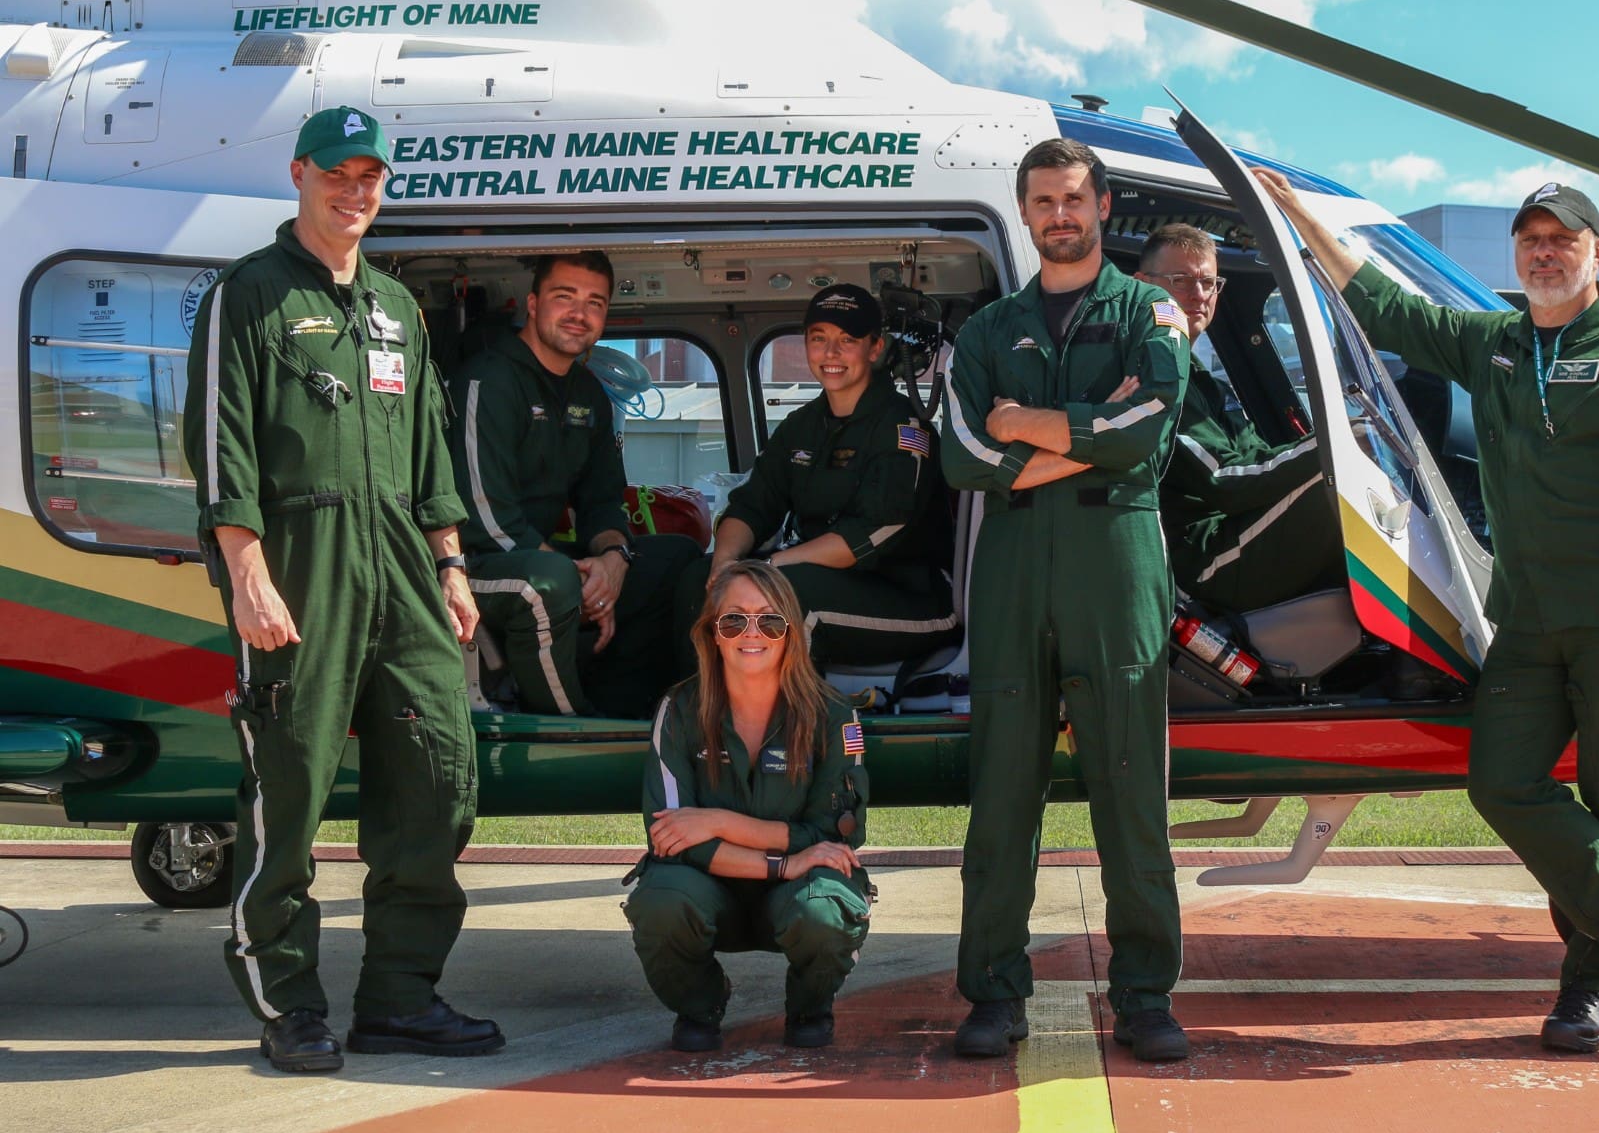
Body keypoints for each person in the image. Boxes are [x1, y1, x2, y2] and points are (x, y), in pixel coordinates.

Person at [1255, 169, 1599, 1056]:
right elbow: (1389, 310)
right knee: (1500, 780)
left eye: (1563, 239)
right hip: (1529, 620)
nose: (1545, 253)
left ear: (1598, 251)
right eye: (1531, 240)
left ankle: (1586, 992)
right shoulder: (1499, 344)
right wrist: (1298, 215)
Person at [183, 106, 502, 1074]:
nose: (354, 190)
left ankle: (400, 997)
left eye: (370, 175)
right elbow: (218, 446)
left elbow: (429, 451)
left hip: (403, 569)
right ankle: (289, 1002)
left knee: (439, 776)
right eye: (337, 172)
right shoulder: (247, 296)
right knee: (291, 787)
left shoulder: (396, 309)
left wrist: (449, 559)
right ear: (298, 174)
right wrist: (247, 574)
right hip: (300, 568)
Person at [940, 138, 1192, 1063]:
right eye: (1042, 200)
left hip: (1113, 569)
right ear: (1024, 210)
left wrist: (1024, 434)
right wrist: (1085, 439)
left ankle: (1145, 996)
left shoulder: (1147, 312)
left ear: (1103, 205)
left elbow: (1149, 426)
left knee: (1130, 793)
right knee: (1002, 793)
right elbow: (962, 455)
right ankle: (993, 994)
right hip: (1011, 579)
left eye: (1073, 198)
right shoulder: (986, 330)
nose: (1059, 214)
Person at [625, 560, 871, 1052]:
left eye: (770, 620)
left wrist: (716, 821)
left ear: (790, 635)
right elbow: (672, 839)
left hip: (795, 892)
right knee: (661, 900)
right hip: (706, 888)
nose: (751, 633)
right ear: (712, 634)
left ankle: (809, 1004)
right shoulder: (678, 711)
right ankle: (701, 1004)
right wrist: (784, 859)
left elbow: (832, 834)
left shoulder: (835, 718)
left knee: (825, 908)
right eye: (733, 620)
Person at [450, 250, 700, 717]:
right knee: (550, 578)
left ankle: (644, 717)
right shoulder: (489, 381)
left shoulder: (588, 395)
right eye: (565, 297)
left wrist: (612, 560)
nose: (579, 314)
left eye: (595, 303)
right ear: (532, 303)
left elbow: (604, 499)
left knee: (678, 559)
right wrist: (584, 582)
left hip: (546, 560)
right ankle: (571, 728)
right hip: (474, 566)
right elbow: (487, 519)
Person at [679, 283, 956, 669]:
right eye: (819, 338)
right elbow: (754, 503)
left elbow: (873, 533)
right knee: (697, 580)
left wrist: (773, 567)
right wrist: (724, 564)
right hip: (813, 577)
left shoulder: (903, 428)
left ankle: (785, 727)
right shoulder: (802, 426)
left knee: (778, 598)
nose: (830, 353)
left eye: (848, 340)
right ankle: (694, 716)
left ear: (874, 348)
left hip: (912, 598)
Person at [1138, 223, 1340, 614]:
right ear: (1142, 285)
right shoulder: (1153, 373)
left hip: (1230, 533)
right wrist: (1338, 443)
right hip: (1200, 560)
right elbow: (1224, 482)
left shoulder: (1204, 382)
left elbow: (1259, 457)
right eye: (1180, 280)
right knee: (1336, 490)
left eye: (1208, 282)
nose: (1198, 295)